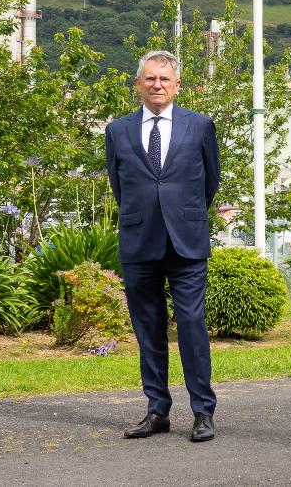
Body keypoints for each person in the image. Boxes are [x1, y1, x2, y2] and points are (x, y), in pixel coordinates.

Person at [105, 49, 221, 443]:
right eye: (150, 78)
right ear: (138, 84)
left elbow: (210, 184)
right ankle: (157, 411)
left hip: (186, 242)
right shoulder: (118, 130)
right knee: (147, 330)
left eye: (164, 79)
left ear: (177, 86)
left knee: (190, 325)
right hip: (139, 243)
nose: (157, 85)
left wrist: (180, 215)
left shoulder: (200, 125)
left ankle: (202, 412)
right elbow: (119, 187)